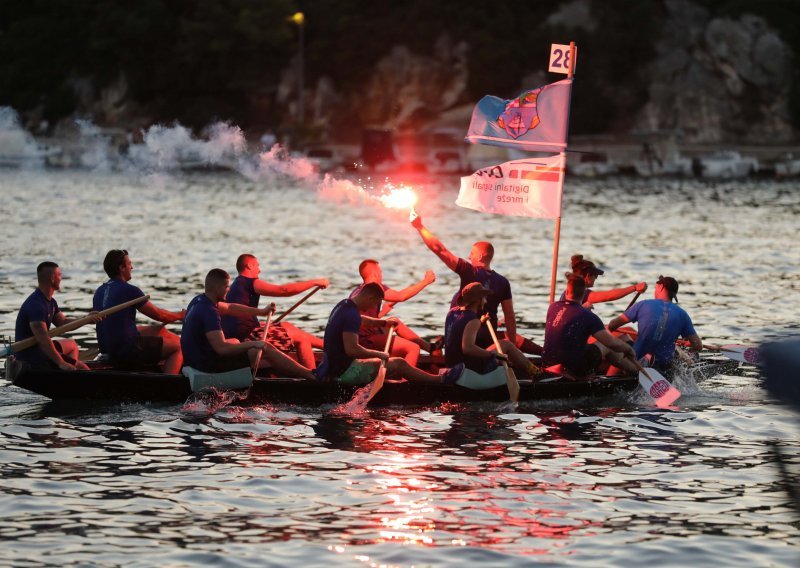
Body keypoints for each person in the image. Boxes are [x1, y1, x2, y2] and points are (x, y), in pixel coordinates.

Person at [410, 210, 541, 355]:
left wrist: (420, 227)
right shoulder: (503, 282)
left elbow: (440, 250)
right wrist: (511, 348)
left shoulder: (469, 271)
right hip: (486, 336)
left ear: (480, 256)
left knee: (441, 341)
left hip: (468, 337)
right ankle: (546, 355)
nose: (468, 256)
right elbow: (510, 317)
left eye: (471, 254)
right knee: (512, 339)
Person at [181, 268, 315, 380]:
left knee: (235, 341)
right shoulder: (209, 311)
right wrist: (254, 344)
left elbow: (230, 308)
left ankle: (266, 371)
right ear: (217, 288)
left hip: (196, 360)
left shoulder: (199, 300)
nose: (228, 289)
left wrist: (262, 312)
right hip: (208, 366)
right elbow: (222, 349)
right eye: (226, 286)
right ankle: (310, 375)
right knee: (265, 348)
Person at [315, 283, 445, 385]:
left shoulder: (344, 305)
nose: (374, 307)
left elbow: (362, 320)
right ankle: (439, 380)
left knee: (391, 363)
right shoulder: (351, 315)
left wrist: (383, 323)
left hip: (329, 368)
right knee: (399, 363)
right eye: (376, 304)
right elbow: (352, 350)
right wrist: (379, 355)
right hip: (344, 373)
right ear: (370, 298)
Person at [221, 253, 328, 369]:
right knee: (301, 338)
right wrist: (315, 282)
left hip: (244, 334)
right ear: (249, 266)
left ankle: (330, 346)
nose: (259, 270)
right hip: (247, 338)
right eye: (257, 266)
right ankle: (314, 378)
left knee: (287, 326)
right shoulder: (249, 282)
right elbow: (284, 290)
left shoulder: (236, 285)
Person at [93, 250, 184, 374]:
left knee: (159, 330)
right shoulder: (130, 290)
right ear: (122, 268)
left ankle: (161, 363)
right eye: (129, 264)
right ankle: (168, 384)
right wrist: (181, 315)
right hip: (126, 350)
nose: (132, 267)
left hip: (105, 348)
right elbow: (160, 316)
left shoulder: (99, 291)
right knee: (178, 348)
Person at [543, 275, 638, 378]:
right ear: (584, 295)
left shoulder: (552, 307)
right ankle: (636, 372)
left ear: (566, 292)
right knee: (606, 345)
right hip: (572, 369)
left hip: (547, 364)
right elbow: (611, 343)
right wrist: (628, 349)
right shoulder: (588, 316)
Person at [350, 259, 437, 366]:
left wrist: (383, 311)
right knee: (413, 348)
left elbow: (366, 317)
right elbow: (401, 296)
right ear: (375, 273)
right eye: (381, 272)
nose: (381, 275)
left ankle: (430, 348)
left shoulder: (360, 290)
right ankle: (405, 380)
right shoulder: (375, 287)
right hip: (363, 341)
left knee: (395, 322)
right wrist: (426, 281)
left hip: (366, 333)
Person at [608, 275, 702, 374]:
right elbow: (698, 346)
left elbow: (612, 326)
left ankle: (610, 377)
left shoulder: (643, 304)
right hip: (665, 366)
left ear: (660, 287)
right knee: (678, 350)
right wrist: (689, 343)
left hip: (638, 363)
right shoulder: (683, 314)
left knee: (623, 338)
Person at [14, 261, 99, 370]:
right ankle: (70, 369)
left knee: (72, 345)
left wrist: (86, 319)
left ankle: (68, 373)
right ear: (52, 279)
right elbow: (43, 339)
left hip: (39, 347)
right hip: (30, 354)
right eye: (59, 275)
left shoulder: (50, 301)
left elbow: (62, 322)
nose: (61, 278)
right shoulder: (36, 305)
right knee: (83, 368)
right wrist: (61, 362)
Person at [444, 282, 538, 378]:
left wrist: (481, 321)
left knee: (502, 344)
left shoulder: (452, 313)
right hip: (469, 369)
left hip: (452, 365)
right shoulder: (473, 320)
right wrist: (493, 354)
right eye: (484, 297)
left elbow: (461, 330)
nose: (485, 301)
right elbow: (467, 348)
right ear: (478, 300)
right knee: (507, 344)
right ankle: (536, 373)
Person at [561, 254, 647, 310]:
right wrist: (634, 288)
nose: (596, 278)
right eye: (595, 275)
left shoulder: (568, 291)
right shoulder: (583, 293)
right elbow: (609, 296)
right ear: (587, 276)